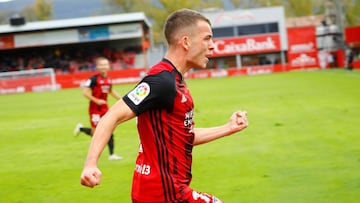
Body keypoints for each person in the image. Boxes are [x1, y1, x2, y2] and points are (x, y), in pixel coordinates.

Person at [80, 8, 249, 202]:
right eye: (207, 38)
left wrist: (228, 128)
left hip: (162, 190)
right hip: (163, 193)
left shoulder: (174, 81)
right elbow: (112, 116)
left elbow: (182, 137)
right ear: (186, 42)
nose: (212, 46)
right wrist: (91, 164)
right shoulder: (161, 81)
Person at [74, 56, 123, 161]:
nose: (104, 67)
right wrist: (97, 101)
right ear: (97, 67)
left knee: (109, 129)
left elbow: (111, 91)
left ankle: (112, 155)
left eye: (105, 64)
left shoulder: (108, 79)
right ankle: (81, 129)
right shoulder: (93, 79)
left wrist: (122, 99)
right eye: (101, 65)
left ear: (109, 66)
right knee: (96, 133)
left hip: (105, 109)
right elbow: (85, 92)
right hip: (95, 109)